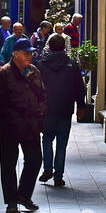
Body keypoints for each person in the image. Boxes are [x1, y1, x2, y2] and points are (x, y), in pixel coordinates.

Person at [0, 37, 46, 213]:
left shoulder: (34, 71)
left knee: (35, 160)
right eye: (25, 53)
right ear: (15, 55)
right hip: (10, 128)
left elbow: (42, 95)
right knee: (8, 164)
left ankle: (23, 194)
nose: (30, 56)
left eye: (30, 53)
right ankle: (11, 200)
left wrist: (40, 113)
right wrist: (12, 118)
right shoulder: (5, 73)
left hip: (31, 125)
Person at [38, 33, 86, 187]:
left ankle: (47, 168)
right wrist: (81, 106)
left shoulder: (42, 65)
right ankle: (58, 175)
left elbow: (36, 87)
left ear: (49, 47)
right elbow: (79, 87)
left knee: (46, 139)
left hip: (47, 109)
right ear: (64, 47)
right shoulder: (71, 64)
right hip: (65, 109)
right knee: (62, 142)